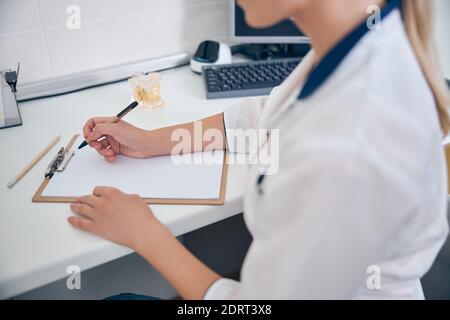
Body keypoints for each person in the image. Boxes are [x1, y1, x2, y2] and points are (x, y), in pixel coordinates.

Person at [68, 0, 450, 299]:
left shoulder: (351, 145)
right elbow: (264, 116)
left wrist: (144, 233)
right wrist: (151, 141)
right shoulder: (357, 40)